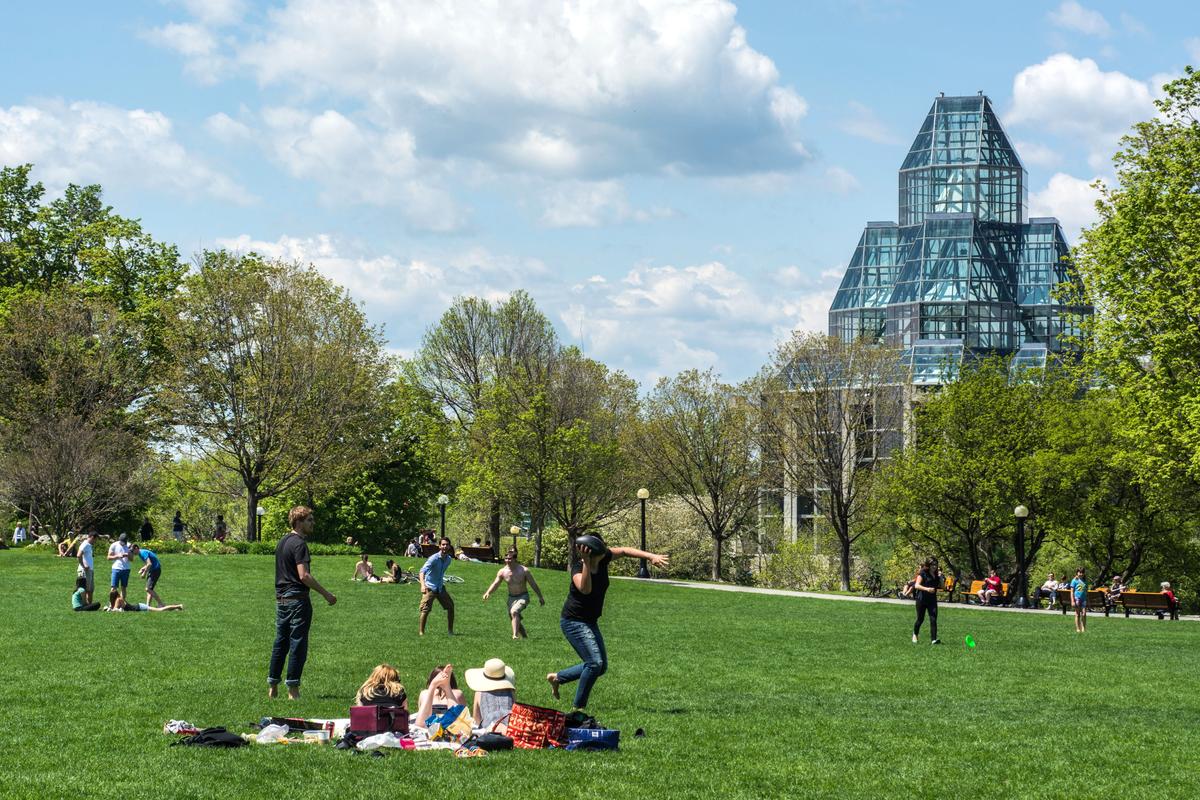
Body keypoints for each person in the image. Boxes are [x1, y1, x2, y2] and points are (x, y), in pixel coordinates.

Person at [547, 534, 669, 718]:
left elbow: (626, 551)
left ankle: (558, 677)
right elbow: (585, 589)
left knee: (600, 667)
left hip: (590, 621)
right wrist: (587, 562)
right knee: (594, 663)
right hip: (574, 621)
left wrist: (651, 556)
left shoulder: (604, 557)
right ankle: (578, 709)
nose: (605, 549)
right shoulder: (578, 567)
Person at [268, 506, 337, 700]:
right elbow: (304, 575)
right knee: (298, 643)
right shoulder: (299, 544)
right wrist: (326, 594)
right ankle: (293, 690)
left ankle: (273, 686)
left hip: (281, 600)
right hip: (297, 601)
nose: (313, 523)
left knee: (280, 642)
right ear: (299, 522)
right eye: (309, 520)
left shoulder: (282, 542)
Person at [483, 549, 545, 639]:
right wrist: (488, 592)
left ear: (515, 559)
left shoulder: (524, 570)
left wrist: (540, 597)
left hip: (523, 596)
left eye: (510, 558)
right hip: (511, 598)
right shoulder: (502, 571)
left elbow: (533, 584)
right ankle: (525, 637)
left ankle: (515, 635)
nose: (507, 560)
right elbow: (495, 584)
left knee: (514, 612)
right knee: (513, 616)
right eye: (506, 558)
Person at [418, 537, 456, 636]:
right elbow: (422, 571)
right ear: (439, 546)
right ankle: (421, 633)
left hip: (440, 587)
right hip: (430, 587)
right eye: (443, 544)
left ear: (449, 546)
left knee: (451, 607)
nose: (445, 546)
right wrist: (423, 585)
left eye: (447, 544)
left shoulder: (448, 559)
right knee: (425, 609)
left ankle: (450, 631)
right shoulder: (433, 558)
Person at [465, 658, 515, 730]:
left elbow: (476, 722)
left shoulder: (479, 692)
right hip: (510, 727)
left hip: (489, 729)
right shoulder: (510, 691)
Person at [912, 557, 942, 644]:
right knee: (920, 619)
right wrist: (927, 589)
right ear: (928, 565)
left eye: (936, 564)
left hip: (932, 600)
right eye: (932, 564)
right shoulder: (923, 573)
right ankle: (915, 634)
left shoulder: (936, 575)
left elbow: (943, 587)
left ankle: (933, 640)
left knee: (933, 619)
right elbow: (916, 586)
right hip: (921, 599)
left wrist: (940, 578)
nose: (934, 566)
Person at [105, 589, 183, 612]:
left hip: (140, 607)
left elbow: (115, 610)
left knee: (160, 610)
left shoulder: (118, 599)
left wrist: (109, 609)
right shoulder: (117, 599)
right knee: (160, 610)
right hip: (139, 606)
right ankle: (176, 608)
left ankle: (178, 606)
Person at [107, 533, 134, 602]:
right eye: (122, 542)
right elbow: (108, 557)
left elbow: (131, 559)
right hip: (116, 568)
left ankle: (122, 604)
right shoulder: (114, 545)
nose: (123, 543)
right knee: (113, 588)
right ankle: (112, 604)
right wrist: (117, 556)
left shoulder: (129, 545)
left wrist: (128, 555)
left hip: (126, 569)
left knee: (123, 588)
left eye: (124, 542)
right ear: (119, 540)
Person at [77, 531, 97, 604]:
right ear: (92, 537)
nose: (95, 542)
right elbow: (78, 555)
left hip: (90, 570)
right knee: (84, 589)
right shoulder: (85, 544)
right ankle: (84, 604)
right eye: (95, 540)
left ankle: (89, 605)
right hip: (85, 571)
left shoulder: (89, 545)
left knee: (90, 589)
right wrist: (83, 565)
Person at [1070, 567, 1088, 633]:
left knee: (1084, 614)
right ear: (1077, 573)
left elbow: (1086, 591)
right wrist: (1072, 601)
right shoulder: (1074, 580)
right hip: (1077, 599)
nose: (1081, 574)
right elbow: (1072, 591)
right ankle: (1078, 629)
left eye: (1082, 572)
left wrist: (1088, 600)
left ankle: (1083, 628)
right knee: (1077, 614)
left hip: (1084, 599)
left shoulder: (1085, 581)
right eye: (1080, 572)